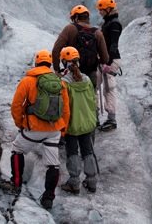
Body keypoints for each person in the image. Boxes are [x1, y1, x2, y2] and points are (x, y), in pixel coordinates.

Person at [0, 49, 70, 210]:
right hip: (54, 129)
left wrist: (20, 123)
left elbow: (16, 105)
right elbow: (66, 109)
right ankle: (49, 197)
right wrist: (62, 130)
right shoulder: (60, 83)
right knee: (53, 164)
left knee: (17, 150)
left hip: (34, 128)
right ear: (50, 64)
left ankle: (16, 184)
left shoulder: (28, 81)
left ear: (36, 63)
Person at [59, 47, 98, 195]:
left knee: (73, 152)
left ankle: (74, 182)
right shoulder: (87, 80)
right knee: (88, 151)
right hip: (87, 123)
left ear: (64, 62)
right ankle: (92, 180)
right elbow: (93, 101)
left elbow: (62, 106)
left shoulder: (64, 82)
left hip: (72, 124)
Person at [52, 5, 109, 88]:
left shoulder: (69, 29)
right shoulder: (97, 33)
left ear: (76, 17)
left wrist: (57, 70)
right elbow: (105, 58)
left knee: (71, 98)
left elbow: (56, 50)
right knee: (90, 99)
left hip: (72, 76)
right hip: (91, 76)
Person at [96, 0, 122, 131]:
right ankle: (94, 116)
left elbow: (113, 45)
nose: (99, 12)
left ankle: (112, 120)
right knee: (96, 86)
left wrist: (108, 62)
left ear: (108, 9)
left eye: (101, 9)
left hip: (110, 61)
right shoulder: (108, 22)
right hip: (105, 60)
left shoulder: (114, 24)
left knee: (108, 89)